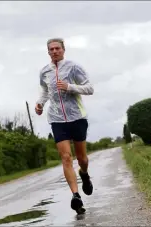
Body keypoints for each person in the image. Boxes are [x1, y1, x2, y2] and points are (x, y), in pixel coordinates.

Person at [35, 38, 94, 214]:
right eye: (51, 49)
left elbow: (90, 88)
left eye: (57, 48)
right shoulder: (44, 72)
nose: (54, 51)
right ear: (48, 52)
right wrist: (40, 104)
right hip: (57, 119)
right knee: (66, 157)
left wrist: (69, 87)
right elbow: (45, 91)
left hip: (77, 117)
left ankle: (84, 174)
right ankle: (76, 196)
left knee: (82, 158)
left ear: (63, 50)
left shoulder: (74, 67)